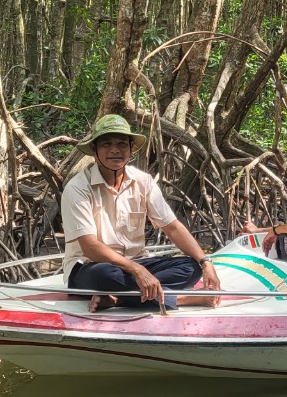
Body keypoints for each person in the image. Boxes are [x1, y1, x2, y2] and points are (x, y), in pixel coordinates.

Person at [61, 114, 221, 311]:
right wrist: (137, 271)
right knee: (104, 275)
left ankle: (117, 299)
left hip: (137, 262)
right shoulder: (78, 188)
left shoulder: (143, 181)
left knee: (191, 267)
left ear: (130, 148)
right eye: (106, 144)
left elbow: (172, 227)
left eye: (121, 144)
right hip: (91, 267)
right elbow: (90, 247)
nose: (114, 150)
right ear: (94, 149)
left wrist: (205, 262)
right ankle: (180, 299)